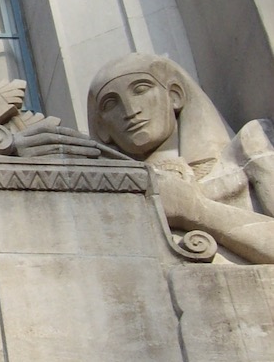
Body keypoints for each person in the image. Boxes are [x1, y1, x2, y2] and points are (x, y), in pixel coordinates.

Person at [87, 53, 274, 264]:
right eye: (110, 104)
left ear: (174, 95)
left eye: (141, 89)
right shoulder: (117, 208)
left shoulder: (248, 148)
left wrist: (194, 210)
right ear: (102, 128)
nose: (130, 111)